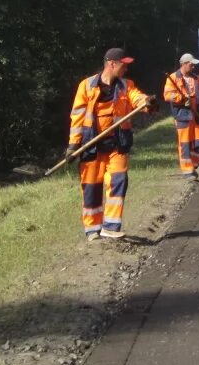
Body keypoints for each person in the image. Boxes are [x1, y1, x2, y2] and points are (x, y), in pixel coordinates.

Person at [66, 47, 156, 241]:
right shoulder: (87, 86)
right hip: (91, 145)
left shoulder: (126, 85)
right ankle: (93, 230)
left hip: (117, 144)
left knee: (118, 181)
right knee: (91, 187)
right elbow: (77, 117)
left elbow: (137, 98)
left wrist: (146, 102)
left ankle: (111, 226)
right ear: (112, 64)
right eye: (124, 65)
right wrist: (73, 146)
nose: (126, 69)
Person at [163, 53, 199, 179]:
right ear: (183, 64)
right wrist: (181, 99)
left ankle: (194, 164)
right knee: (185, 143)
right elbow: (167, 95)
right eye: (191, 64)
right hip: (182, 113)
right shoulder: (172, 78)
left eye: (193, 64)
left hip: (196, 114)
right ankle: (187, 170)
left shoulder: (196, 78)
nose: (193, 66)